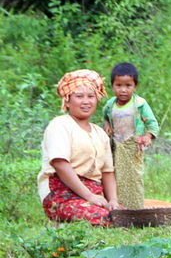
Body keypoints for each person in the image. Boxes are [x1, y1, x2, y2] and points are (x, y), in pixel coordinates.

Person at [38, 69, 121, 226]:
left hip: (95, 195)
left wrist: (113, 201)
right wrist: (90, 196)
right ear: (67, 101)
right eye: (79, 96)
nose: (86, 101)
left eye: (91, 96)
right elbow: (60, 165)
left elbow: (107, 172)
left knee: (123, 216)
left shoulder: (100, 134)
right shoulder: (60, 125)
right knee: (106, 219)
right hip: (61, 194)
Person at [102, 62, 160, 209]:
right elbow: (106, 117)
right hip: (116, 147)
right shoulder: (110, 105)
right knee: (115, 177)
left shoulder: (139, 104)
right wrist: (107, 126)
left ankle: (135, 209)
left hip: (133, 148)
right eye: (118, 85)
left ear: (135, 86)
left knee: (134, 178)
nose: (123, 90)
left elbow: (152, 124)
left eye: (128, 85)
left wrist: (148, 136)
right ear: (112, 86)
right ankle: (116, 207)